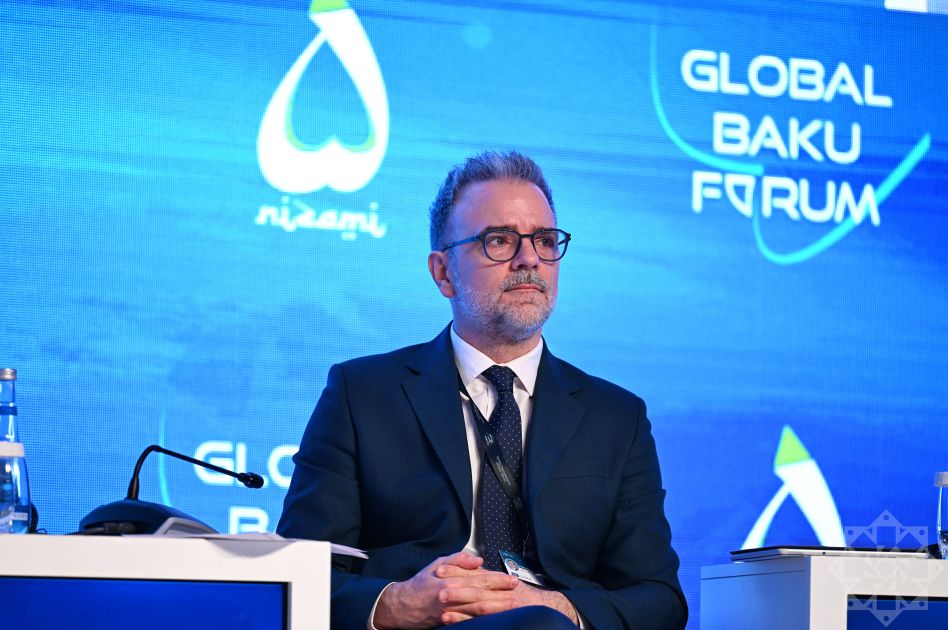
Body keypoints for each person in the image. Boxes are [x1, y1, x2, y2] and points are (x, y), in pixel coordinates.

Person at [278, 151, 687, 629]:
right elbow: (298, 573)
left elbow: (658, 599)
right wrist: (397, 603)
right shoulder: (362, 396)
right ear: (443, 273)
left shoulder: (615, 418)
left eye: (545, 240)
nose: (529, 259)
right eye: (499, 241)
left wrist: (560, 608)